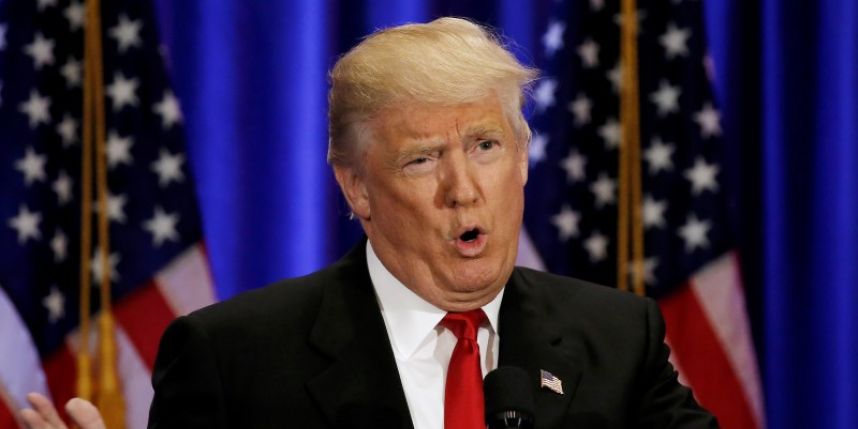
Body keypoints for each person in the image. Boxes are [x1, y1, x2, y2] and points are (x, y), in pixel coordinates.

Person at [21, 17, 717, 429]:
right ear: (357, 187)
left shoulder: (620, 341)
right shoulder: (233, 361)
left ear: (525, 158)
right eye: (422, 159)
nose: (463, 189)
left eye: (485, 146)